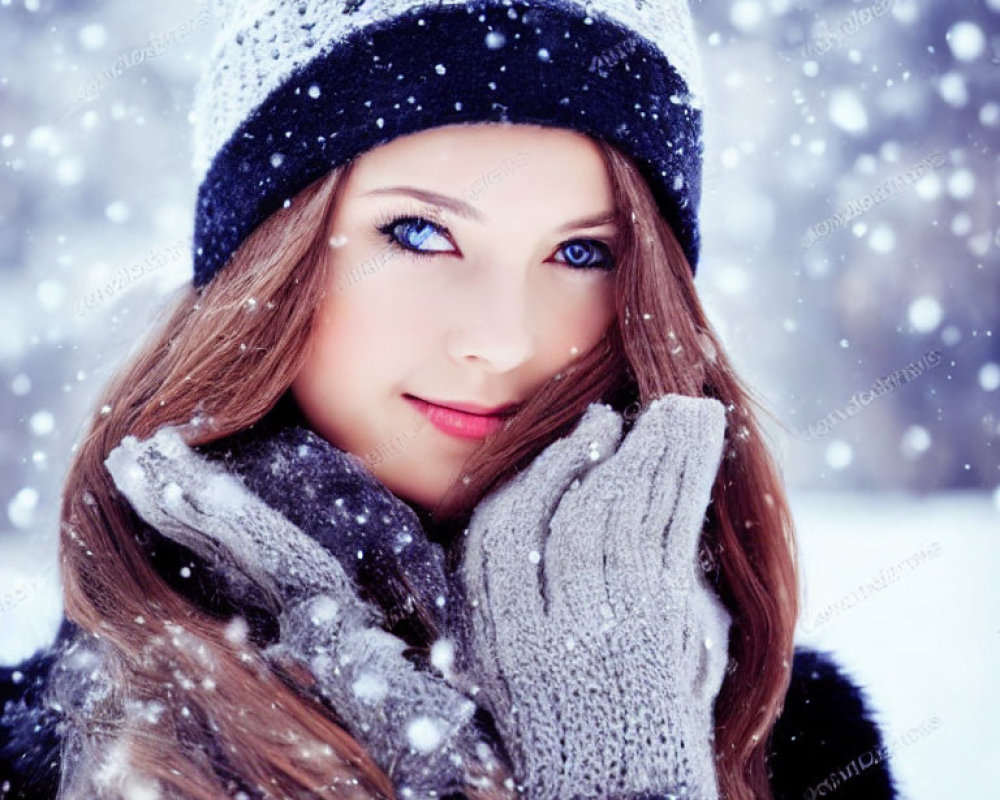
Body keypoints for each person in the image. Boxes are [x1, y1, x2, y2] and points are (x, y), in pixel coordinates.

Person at [1, 1, 899, 799]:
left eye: (583, 253)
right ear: (269, 264)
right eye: (421, 233)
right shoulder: (29, 753)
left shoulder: (794, 744)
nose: (502, 338)